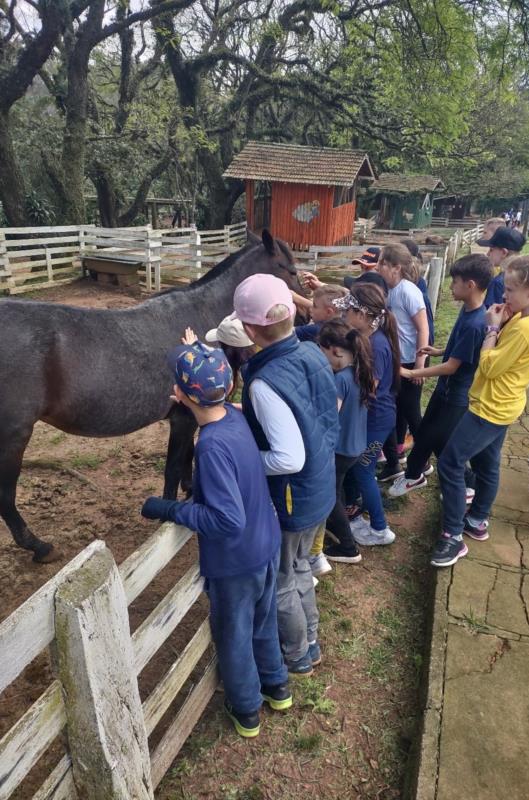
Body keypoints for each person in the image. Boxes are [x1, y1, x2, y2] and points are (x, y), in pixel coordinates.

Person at [140, 343, 289, 738]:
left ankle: (246, 710)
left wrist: (170, 509)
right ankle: (277, 686)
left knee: (234, 634)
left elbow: (225, 518)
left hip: (236, 562)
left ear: (182, 396)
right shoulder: (233, 419)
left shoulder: (210, 444)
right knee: (263, 619)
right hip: (266, 544)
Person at [232, 273, 338, 676]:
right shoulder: (311, 352)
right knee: (298, 569)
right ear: (293, 312)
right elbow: (308, 414)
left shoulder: (263, 382)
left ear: (249, 329)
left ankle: (295, 655)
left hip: (294, 495)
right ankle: (310, 640)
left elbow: (287, 458)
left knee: (280, 581)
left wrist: (245, 459)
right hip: (321, 485)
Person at [432, 255, 529, 567]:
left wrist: (492, 329)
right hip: (503, 405)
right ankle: (477, 520)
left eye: (510, 289)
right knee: (488, 464)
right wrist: (503, 324)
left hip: (489, 409)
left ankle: (452, 536)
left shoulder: (527, 328)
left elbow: (489, 365)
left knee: (450, 463)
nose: (503, 295)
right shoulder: (526, 319)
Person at [388, 254, 494, 498]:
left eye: (455, 282)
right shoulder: (468, 311)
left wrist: (413, 371)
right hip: (445, 391)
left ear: (471, 285)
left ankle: (468, 485)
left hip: (457, 395)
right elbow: (462, 347)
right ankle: (413, 475)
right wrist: (440, 350)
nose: (450, 286)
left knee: (441, 441)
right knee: (425, 432)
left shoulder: (476, 322)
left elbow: (451, 367)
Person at [336, 282, 401, 546]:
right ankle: (357, 511)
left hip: (376, 420)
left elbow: (368, 386)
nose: (344, 315)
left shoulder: (376, 345)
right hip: (374, 418)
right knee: (360, 470)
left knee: (364, 470)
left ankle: (380, 528)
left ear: (362, 316)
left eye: (348, 311)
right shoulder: (371, 338)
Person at [313, 319, 376, 565]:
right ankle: (337, 531)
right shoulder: (360, 371)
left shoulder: (340, 380)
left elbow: (330, 417)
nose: (322, 357)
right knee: (336, 490)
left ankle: (349, 548)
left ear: (336, 351)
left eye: (322, 351)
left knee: (330, 497)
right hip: (356, 446)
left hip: (339, 449)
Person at [377, 243, 430, 482]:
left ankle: (423, 460)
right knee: (397, 410)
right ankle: (396, 457)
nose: (378, 268)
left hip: (411, 361)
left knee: (411, 413)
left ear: (396, 267)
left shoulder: (408, 291)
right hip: (400, 359)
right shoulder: (392, 289)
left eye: (382, 264)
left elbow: (423, 328)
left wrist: (420, 364)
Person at [475, 226, 526, 307]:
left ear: (503, 252)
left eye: (491, 250)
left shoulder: (498, 282)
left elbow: (491, 314)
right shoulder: (526, 275)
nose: (488, 254)